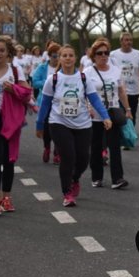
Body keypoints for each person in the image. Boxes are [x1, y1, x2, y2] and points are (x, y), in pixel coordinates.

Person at [36, 45, 112, 207]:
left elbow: (95, 100)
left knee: (84, 158)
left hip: (83, 124)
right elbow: (45, 104)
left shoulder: (84, 78)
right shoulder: (53, 80)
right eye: (65, 55)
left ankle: (75, 178)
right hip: (59, 122)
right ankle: (67, 193)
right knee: (68, 156)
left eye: (71, 55)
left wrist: (105, 116)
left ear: (75, 58)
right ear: (60, 58)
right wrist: (40, 124)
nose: (68, 58)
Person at [0, 35, 31, 216]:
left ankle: (7, 197)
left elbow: (26, 93)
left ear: (8, 52)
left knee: (9, 159)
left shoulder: (15, 71)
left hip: (10, 119)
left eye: (2, 50)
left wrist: (14, 89)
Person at [84, 39, 132, 189]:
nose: (103, 56)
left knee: (115, 146)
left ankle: (117, 178)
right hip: (95, 116)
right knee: (96, 147)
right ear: (94, 55)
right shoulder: (87, 72)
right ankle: (97, 177)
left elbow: (121, 91)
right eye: (100, 53)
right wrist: (87, 108)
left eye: (106, 53)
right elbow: (83, 93)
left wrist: (128, 109)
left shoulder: (115, 70)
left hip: (112, 113)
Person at [32, 43, 62, 164]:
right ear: (49, 56)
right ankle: (47, 147)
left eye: (58, 56)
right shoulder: (42, 67)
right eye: (54, 56)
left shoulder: (63, 68)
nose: (57, 59)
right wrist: (49, 82)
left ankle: (57, 151)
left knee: (59, 127)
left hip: (60, 103)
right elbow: (35, 82)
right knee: (46, 127)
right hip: (45, 101)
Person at [109, 32, 139, 124]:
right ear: (121, 41)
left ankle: (130, 135)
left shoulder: (138, 54)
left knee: (131, 115)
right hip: (118, 91)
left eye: (130, 40)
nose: (129, 42)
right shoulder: (113, 54)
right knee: (120, 116)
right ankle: (120, 136)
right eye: (126, 40)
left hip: (134, 91)